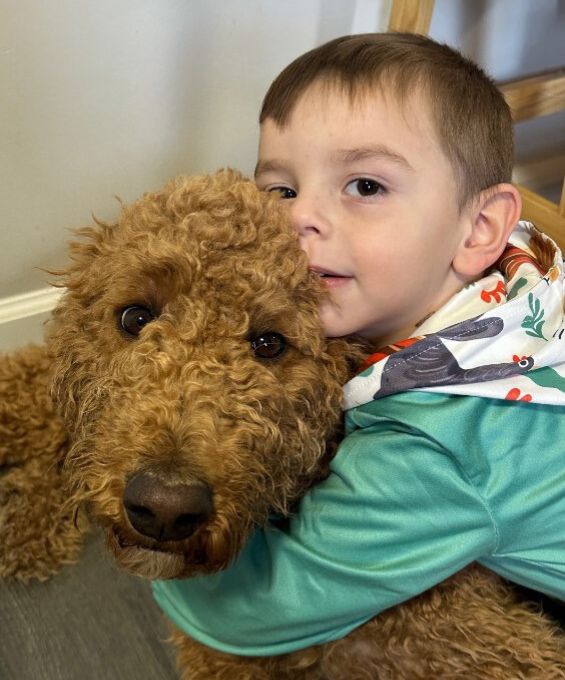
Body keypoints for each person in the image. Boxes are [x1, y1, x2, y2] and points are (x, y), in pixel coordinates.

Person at [152, 32, 565, 656]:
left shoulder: (435, 447)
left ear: (479, 228)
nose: (299, 220)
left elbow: (260, 607)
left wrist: (154, 555)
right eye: (281, 190)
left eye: (365, 187)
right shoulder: (518, 273)